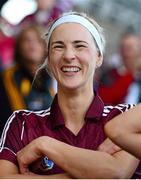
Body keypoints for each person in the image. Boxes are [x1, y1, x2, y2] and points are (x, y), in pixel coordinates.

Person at [0, 12, 139, 179]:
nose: (68, 55)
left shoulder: (125, 118)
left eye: (79, 46)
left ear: (99, 57)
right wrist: (91, 171)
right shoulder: (23, 123)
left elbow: (114, 173)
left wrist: (46, 145)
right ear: (49, 60)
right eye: (58, 46)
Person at [0, 25, 56, 135]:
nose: (32, 45)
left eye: (38, 41)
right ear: (18, 47)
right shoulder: (7, 77)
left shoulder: (54, 78)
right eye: (27, 40)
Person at [98, 32, 141, 105]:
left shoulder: (135, 77)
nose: (124, 52)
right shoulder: (112, 74)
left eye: (129, 48)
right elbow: (102, 99)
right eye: (122, 48)